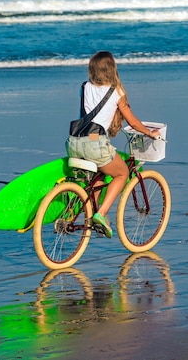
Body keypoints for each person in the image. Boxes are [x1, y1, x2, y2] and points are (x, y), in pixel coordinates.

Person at [66, 51, 160, 238]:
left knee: (101, 173)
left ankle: (90, 214)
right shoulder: (117, 92)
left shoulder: (84, 87)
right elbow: (133, 123)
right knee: (122, 173)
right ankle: (101, 213)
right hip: (95, 144)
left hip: (74, 142)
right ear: (112, 69)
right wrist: (150, 133)